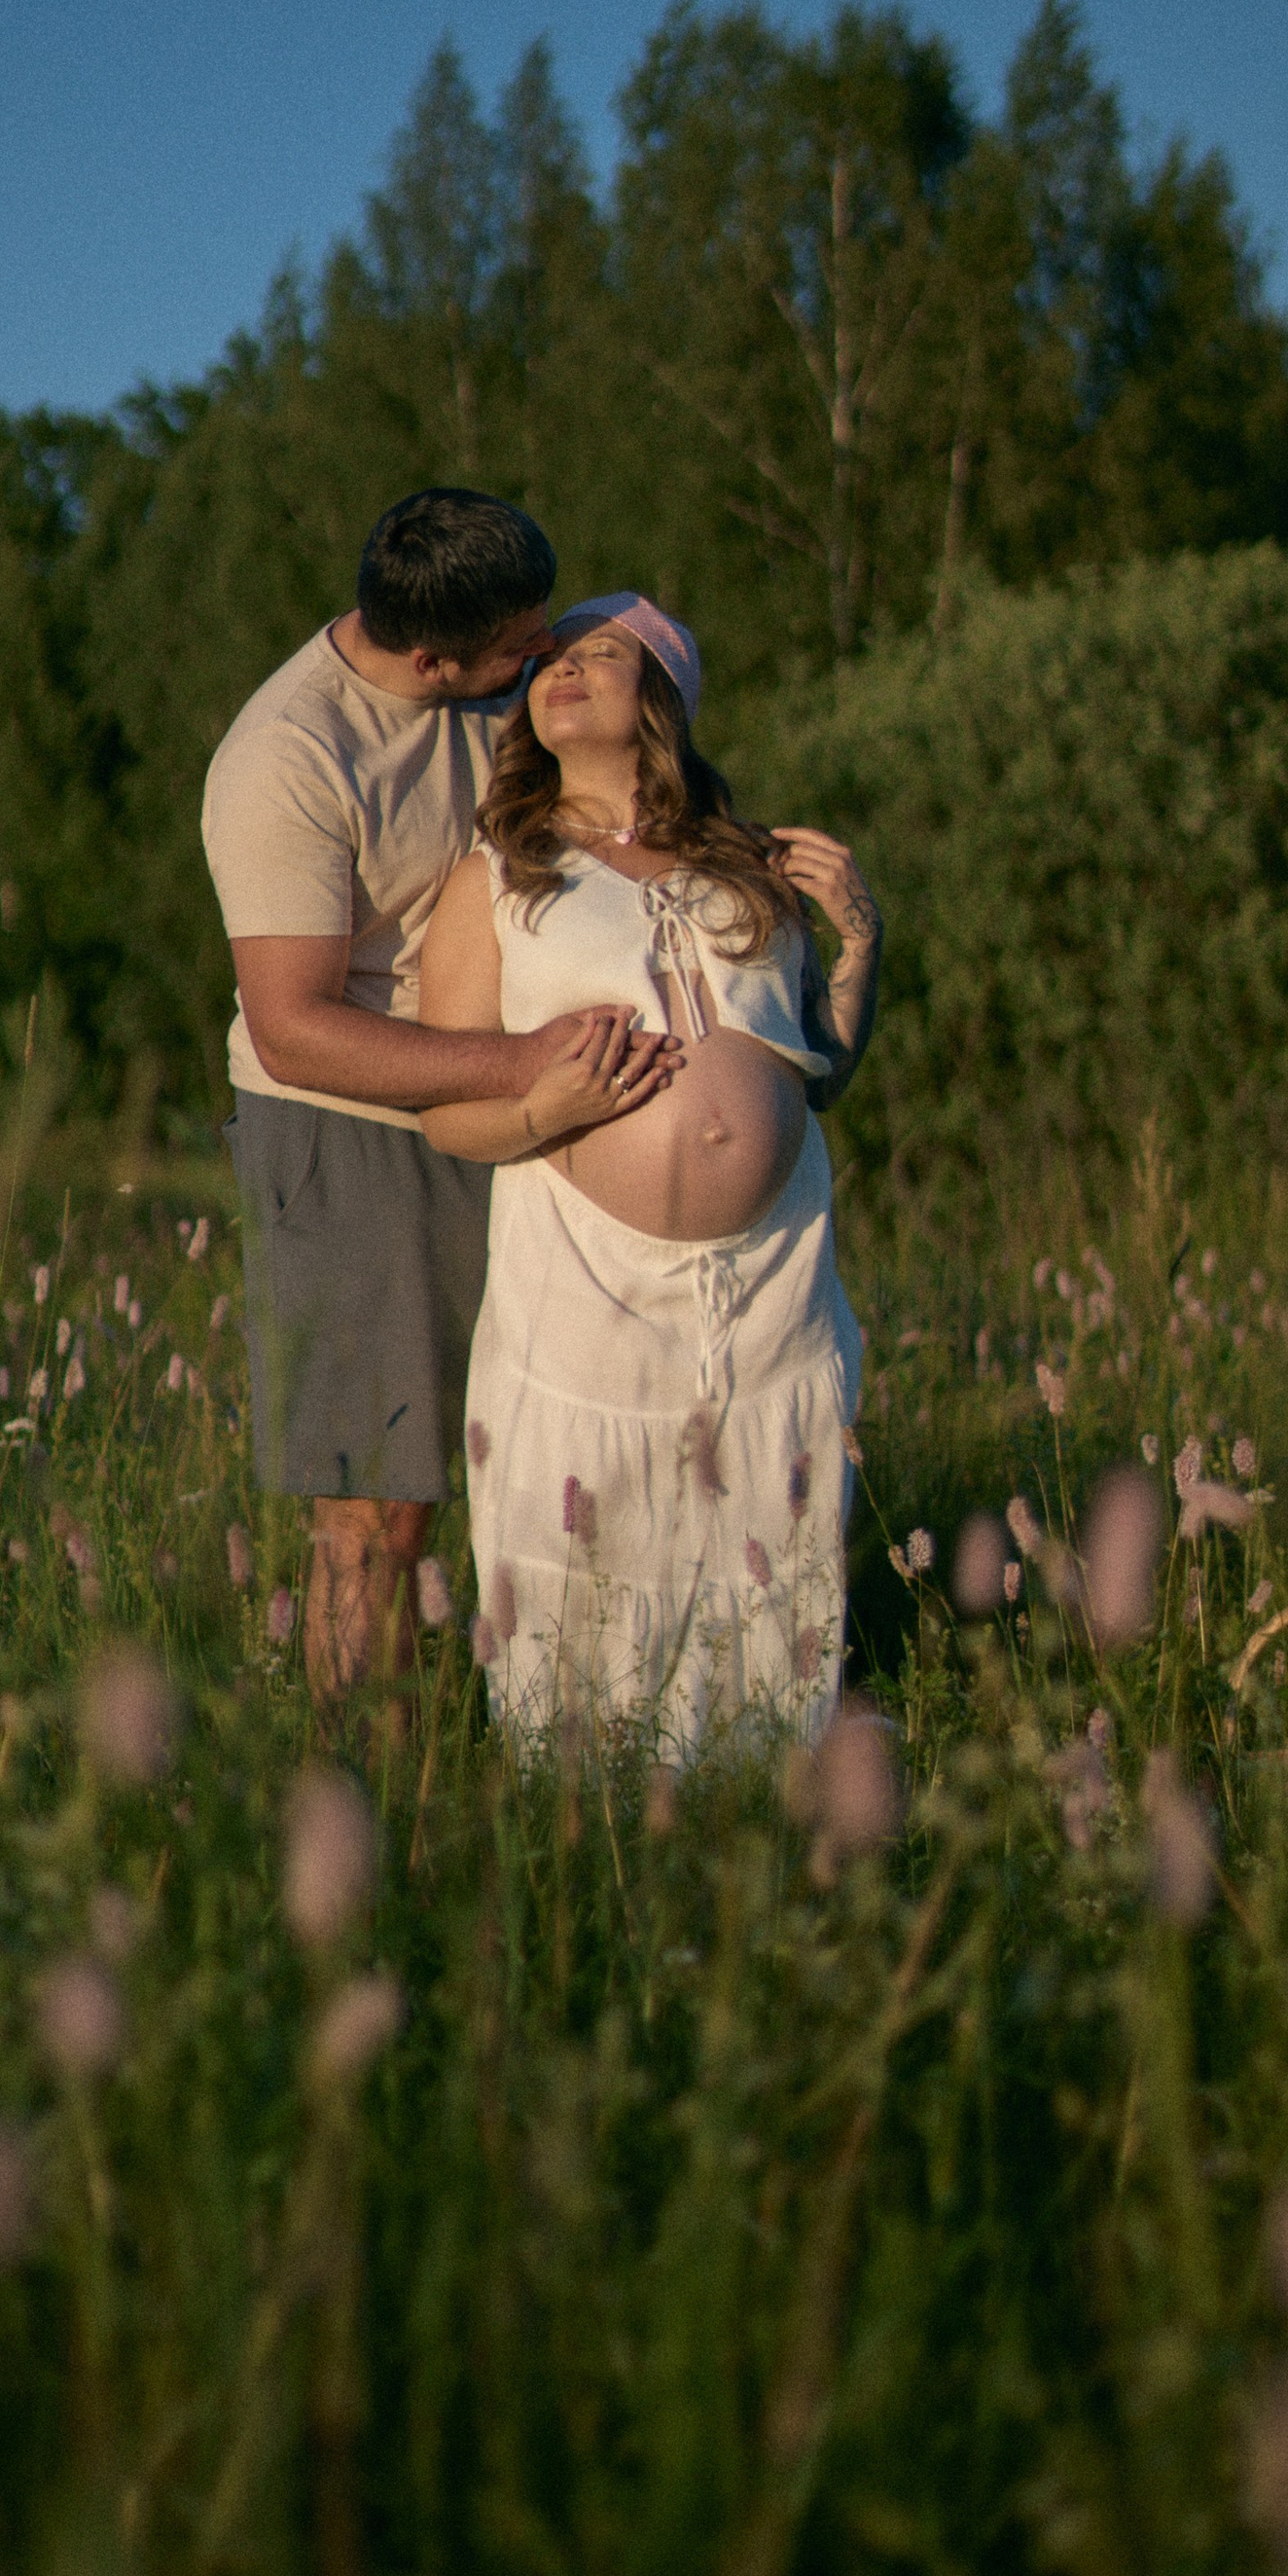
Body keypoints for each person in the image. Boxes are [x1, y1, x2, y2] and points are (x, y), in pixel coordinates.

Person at [202, 491, 679, 1701]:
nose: (543, 658)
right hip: (356, 1130)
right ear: (432, 661)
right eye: (520, 648)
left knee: (562, 1461)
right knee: (380, 1510)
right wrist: (524, 1066)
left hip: (526, 1108)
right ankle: (359, 1782)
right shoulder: (288, 758)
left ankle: (593, 1731)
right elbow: (295, 1030)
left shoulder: (495, 682)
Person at [415, 595, 880, 1752]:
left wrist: (860, 939)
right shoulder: (495, 877)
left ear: (661, 694)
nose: (564, 672)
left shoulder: (747, 867)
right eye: (548, 661)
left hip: (767, 1275)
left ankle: (756, 1805)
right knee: (588, 1547)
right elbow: (444, 1112)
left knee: (764, 1555)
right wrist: (544, 1112)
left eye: (600, 653)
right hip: (589, 1275)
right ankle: (585, 1811)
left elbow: (821, 1071)